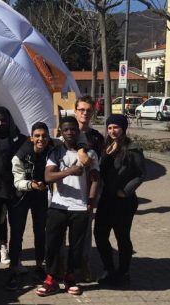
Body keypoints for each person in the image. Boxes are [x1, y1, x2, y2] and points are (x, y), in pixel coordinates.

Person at [36, 116, 99, 297]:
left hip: (80, 207)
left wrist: (91, 202)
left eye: (73, 129)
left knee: (76, 246)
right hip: (59, 204)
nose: (69, 132)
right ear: (61, 133)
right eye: (66, 130)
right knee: (53, 243)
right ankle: (51, 279)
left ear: (78, 132)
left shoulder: (90, 154)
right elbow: (48, 177)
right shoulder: (56, 153)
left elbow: (95, 178)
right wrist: (70, 171)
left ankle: (70, 277)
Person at [7, 122, 61, 290]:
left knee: (40, 231)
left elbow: (66, 140)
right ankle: (14, 269)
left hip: (40, 195)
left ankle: (39, 266)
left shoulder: (54, 144)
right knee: (17, 232)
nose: (41, 139)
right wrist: (31, 185)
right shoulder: (20, 154)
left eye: (44, 136)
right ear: (31, 137)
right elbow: (17, 182)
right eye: (37, 136)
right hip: (21, 195)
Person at [94, 114, 146, 286]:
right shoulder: (106, 146)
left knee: (122, 237)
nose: (112, 131)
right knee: (100, 234)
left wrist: (126, 191)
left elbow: (140, 174)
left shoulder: (132, 148)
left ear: (123, 128)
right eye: (109, 128)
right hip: (106, 200)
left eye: (116, 127)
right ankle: (109, 269)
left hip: (123, 201)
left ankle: (123, 272)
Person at [0, 106, 26, 275]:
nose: (1, 123)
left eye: (4, 120)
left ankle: (16, 260)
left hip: (14, 190)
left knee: (17, 227)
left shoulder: (18, 139)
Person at [73, 95, 105, 280]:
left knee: (85, 231)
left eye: (88, 110)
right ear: (75, 111)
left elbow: (97, 169)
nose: (85, 113)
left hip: (87, 192)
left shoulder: (97, 138)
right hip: (65, 193)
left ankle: (84, 264)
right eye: (82, 110)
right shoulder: (65, 132)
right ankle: (62, 264)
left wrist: (94, 197)